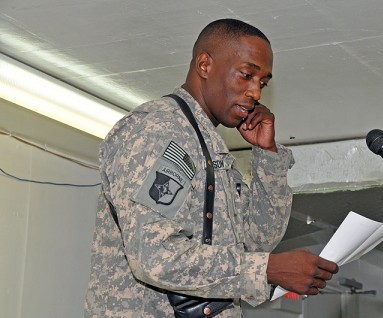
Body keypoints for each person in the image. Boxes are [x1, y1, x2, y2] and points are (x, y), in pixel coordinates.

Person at [84, 18, 338, 317]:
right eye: (246, 75)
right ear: (204, 65)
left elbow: (257, 240)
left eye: (262, 83)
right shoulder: (160, 131)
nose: (256, 92)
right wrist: (265, 269)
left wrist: (267, 156)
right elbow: (155, 258)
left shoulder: (210, 149)